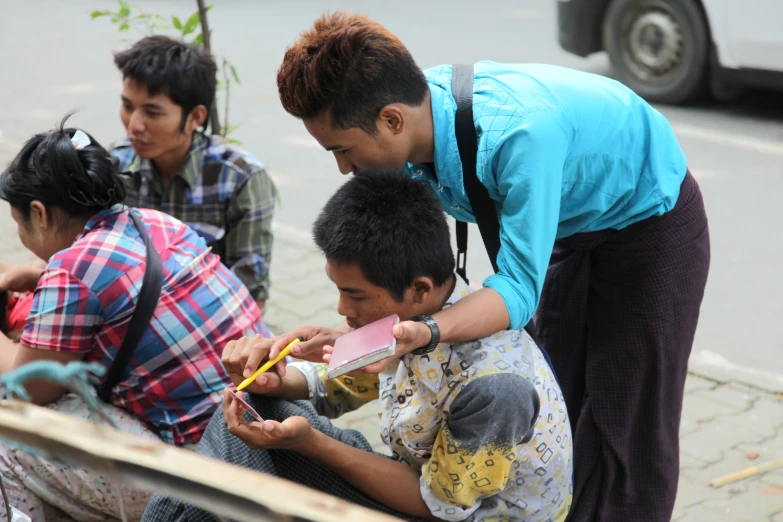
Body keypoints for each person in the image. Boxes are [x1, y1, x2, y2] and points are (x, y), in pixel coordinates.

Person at [272, 12, 711, 522]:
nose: (343, 169)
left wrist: (426, 332)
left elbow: (517, 295)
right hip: (568, 224)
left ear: (392, 119)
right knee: (559, 392)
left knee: (627, 416)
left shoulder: (519, 136)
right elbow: (419, 295)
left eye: (343, 150)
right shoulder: (413, 121)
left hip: (649, 220)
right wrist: (346, 345)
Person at [143, 170, 573, 522]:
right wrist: (275, 378)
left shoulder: (495, 387)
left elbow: (440, 506)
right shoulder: (414, 320)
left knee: (234, 463)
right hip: (419, 484)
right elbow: (339, 385)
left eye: (357, 295)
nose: (342, 310)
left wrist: (311, 444)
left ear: (419, 289)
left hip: (447, 511)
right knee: (249, 412)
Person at [0, 118, 271, 521]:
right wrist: (38, 274)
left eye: (19, 223)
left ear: (39, 214)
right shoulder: (155, 223)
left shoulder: (71, 271)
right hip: (260, 442)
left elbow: (24, 389)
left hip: (202, 480)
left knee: (13, 430)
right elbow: (121, 280)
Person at [110, 35, 276, 312]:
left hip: (209, 330)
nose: (134, 125)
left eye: (152, 112)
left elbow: (250, 297)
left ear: (196, 118)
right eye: (128, 107)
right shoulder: (117, 163)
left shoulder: (240, 179)